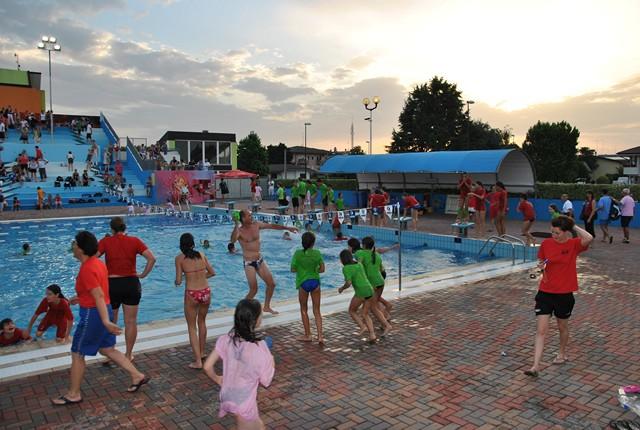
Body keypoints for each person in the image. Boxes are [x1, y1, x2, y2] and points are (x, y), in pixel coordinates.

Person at [52, 231, 149, 405]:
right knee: (107, 349)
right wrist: (80, 297)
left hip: (94, 314)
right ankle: (137, 375)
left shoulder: (87, 269)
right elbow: (98, 290)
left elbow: (98, 295)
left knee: (77, 352)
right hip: (104, 309)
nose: (73, 247)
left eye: (75, 244)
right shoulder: (97, 263)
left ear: (81, 248)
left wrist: (105, 321)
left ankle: (74, 394)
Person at [524, 216, 593, 378]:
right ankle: (535, 366)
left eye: (557, 233)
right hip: (545, 293)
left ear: (566, 232)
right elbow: (541, 260)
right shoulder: (546, 244)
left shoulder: (574, 244)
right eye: (552, 232)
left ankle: (561, 353)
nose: (553, 235)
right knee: (541, 330)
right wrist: (541, 266)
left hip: (564, 295)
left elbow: (589, 238)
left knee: (562, 327)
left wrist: (573, 225)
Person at [203, 299, 275, 430]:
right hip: (244, 400)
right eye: (261, 314)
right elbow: (266, 380)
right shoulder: (259, 347)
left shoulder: (226, 339)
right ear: (255, 320)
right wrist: (271, 360)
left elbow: (207, 366)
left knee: (259, 426)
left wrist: (217, 378)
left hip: (228, 394)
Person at [97, 217, 156, 361]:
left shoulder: (106, 241)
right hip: (131, 284)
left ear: (112, 229)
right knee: (130, 321)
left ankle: (110, 353)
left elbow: (92, 258)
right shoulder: (134, 241)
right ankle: (129, 354)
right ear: (125, 228)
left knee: (112, 321)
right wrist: (143, 274)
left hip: (112, 284)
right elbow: (152, 258)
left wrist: (100, 275)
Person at [230, 210, 298, 315]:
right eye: (249, 215)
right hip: (249, 263)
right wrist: (236, 224)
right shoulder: (239, 231)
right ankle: (240, 310)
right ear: (243, 218)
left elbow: (272, 226)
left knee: (271, 284)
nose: (252, 217)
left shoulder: (256, 225)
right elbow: (233, 240)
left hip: (259, 260)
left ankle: (266, 307)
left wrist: (287, 228)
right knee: (253, 289)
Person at [175, 233, 215, 369]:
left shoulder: (179, 259)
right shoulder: (201, 255)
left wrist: (183, 279)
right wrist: (201, 277)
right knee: (202, 322)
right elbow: (212, 272)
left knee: (192, 328)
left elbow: (178, 281)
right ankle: (202, 352)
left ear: (181, 245)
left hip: (192, 294)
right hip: (205, 292)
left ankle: (198, 361)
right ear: (193, 244)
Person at [338, 249, 387, 343]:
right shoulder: (359, 264)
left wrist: (342, 288)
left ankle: (362, 326)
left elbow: (348, 283)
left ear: (342, 259)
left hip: (361, 291)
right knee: (365, 313)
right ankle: (372, 335)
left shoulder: (346, 268)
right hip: (370, 289)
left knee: (352, 311)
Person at [290, 232, 325, 343]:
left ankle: (308, 335)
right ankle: (320, 336)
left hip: (303, 283)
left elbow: (292, 269)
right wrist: (314, 270)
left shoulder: (297, 254)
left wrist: (301, 270)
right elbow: (322, 269)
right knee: (317, 310)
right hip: (315, 283)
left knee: (304, 309)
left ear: (302, 242)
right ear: (313, 243)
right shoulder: (317, 253)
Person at [356, 237, 394, 327]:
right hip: (380, 280)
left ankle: (385, 322)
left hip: (372, 282)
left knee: (373, 305)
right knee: (375, 301)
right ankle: (386, 311)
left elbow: (359, 265)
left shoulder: (361, 253)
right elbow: (381, 269)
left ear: (363, 245)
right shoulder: (376, 255)